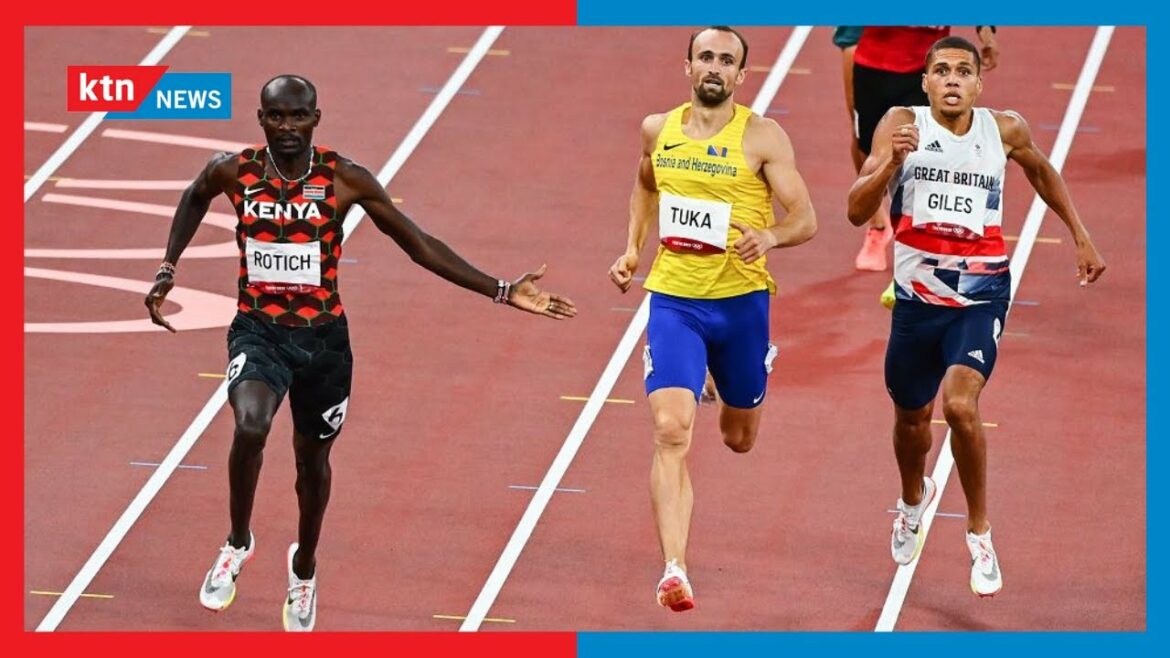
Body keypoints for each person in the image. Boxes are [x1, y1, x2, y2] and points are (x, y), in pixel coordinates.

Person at [143, 75, 577, 631]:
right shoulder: (234, 171)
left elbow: (418, 245)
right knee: (250, 426)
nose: (287, 127)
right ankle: (237, 542)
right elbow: (194, 196)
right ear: (261, 119)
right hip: (259, 331)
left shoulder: (344, 179)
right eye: (277, 116)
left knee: (312, 463)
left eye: (298, 116)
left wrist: (500, 289)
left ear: (316, 119)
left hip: (325, 345)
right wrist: (168, 267)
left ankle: (304, 567)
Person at [846, 36, 1104, 597]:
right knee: (911, 420)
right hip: (916, 302)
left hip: (980, 295)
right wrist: (891, 162)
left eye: (963, 71)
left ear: (978, 84)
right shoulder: (901, 124)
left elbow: (1042, 171)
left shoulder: (1003, 129)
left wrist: (1080, 234)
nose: (953, 79)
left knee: (960, 405)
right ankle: (912, 501)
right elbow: (855, 209)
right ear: (925, 82)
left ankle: (979, 531)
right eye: (942, 70)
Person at [608, 26, 817, 612]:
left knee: (738, 438)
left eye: (727, 61)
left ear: (741, 76)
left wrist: (770, 236)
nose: (715, 68)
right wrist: (633, 249)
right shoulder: (659, 129)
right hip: (674, 300)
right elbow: (644, 184)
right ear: (688, 66)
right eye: (706, 57)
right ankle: (674, 568)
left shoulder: (762, 137)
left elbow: (806, 218)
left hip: (741, 304)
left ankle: (733, 375)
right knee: (671, 430)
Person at [850, 26, 999, 272]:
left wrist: (986, 33)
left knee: (932, 152)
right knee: (868, 149)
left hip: (925, 69)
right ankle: (878, 225)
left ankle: (934, 244)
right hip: (873, 65)